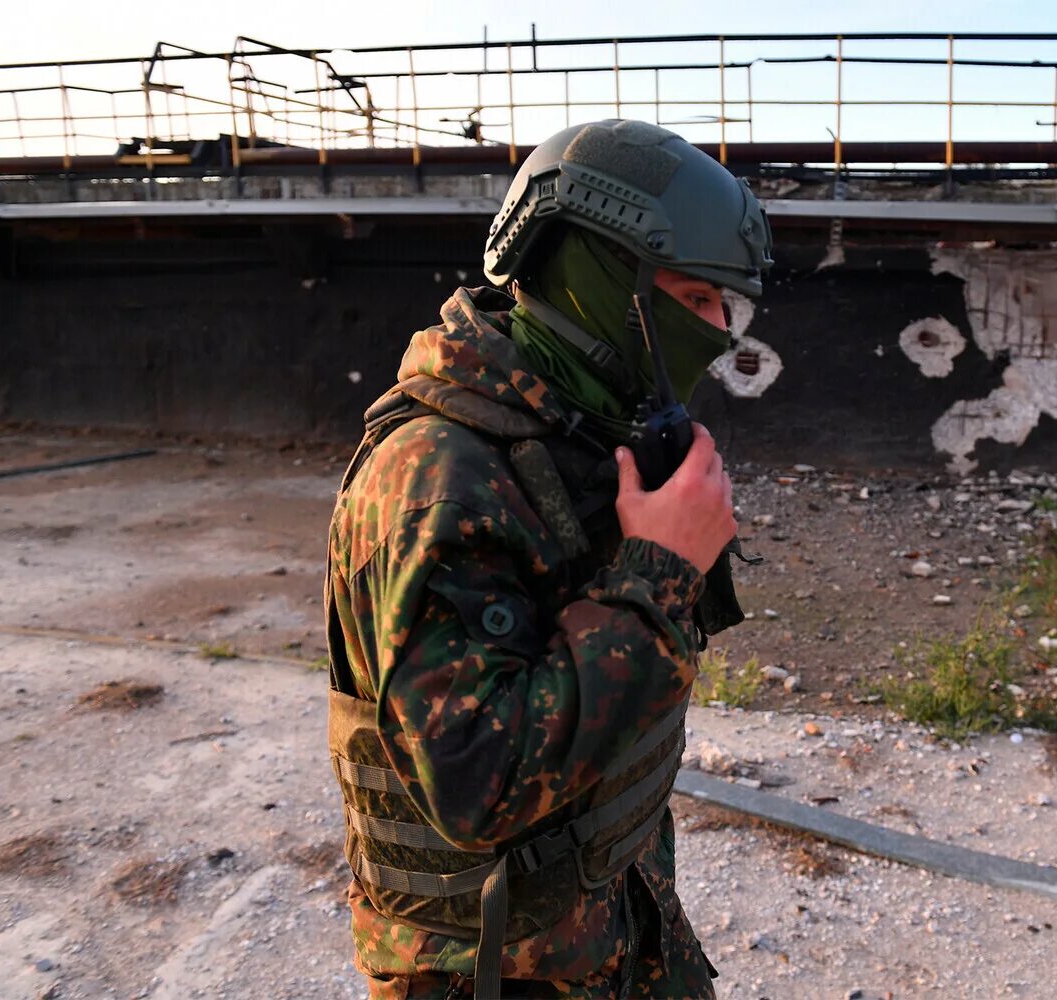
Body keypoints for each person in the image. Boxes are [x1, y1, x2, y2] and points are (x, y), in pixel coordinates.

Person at [323, 119, 773, 999]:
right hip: (492, 972)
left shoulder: (579, 430)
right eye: (696, 300)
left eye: (728, 306)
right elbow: (476, 787)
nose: (719, 334)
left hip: (613, 922)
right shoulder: (439, 477)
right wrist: (661, 567)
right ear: (601, 281)